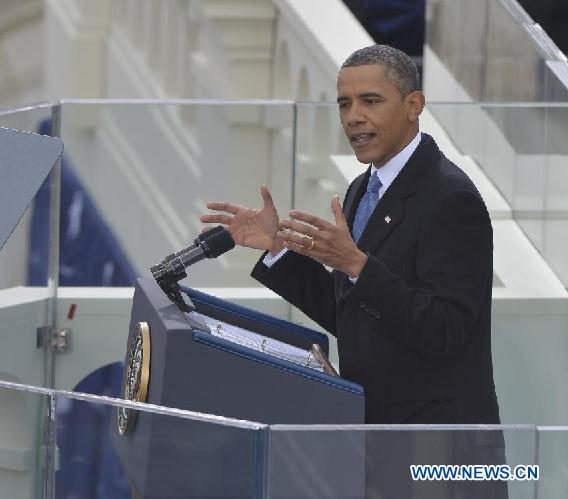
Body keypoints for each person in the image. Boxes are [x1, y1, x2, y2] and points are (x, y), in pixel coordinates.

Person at [200, 45, 501, 425]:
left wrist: (356, 264)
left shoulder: (450, 198)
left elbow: (444, 333)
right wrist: (278, 249)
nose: (353, 117)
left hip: (434, 446)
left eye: (370, 101)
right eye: (344, 104)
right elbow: (352, 315)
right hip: (373, 432)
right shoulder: (363, 187)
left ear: (414, 105)